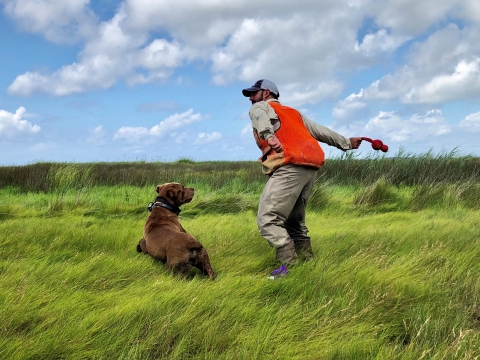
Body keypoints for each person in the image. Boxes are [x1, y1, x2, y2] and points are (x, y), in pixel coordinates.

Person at [242, 79, 362, 272]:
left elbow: (260, 119)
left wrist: (269, 136)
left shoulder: (260, 107)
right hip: (310, 166)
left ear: (265, 93)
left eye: (253, 94)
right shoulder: (294, 113)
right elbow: (319, 130)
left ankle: (288, 267)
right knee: (293, 221)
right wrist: (346, 142)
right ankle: (307, 265)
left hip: (289, 164)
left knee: (268, 219)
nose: (250, 98)